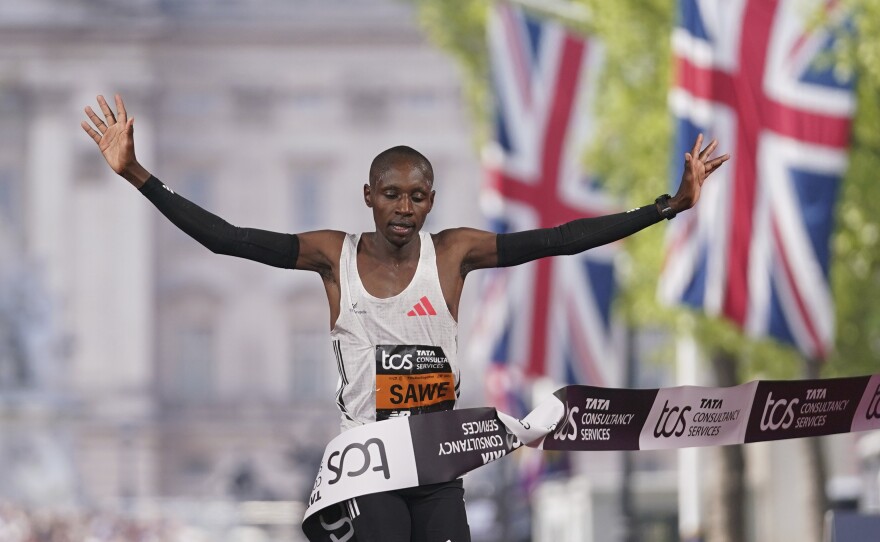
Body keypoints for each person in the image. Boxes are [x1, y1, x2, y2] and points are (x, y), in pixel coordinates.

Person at [82, 94, 729, 542]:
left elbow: (559, 238)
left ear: (430, 202)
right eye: (391, 193)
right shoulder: (329, 255)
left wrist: (666, 206)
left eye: (417, 196)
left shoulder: (454, 252)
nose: (403, 207)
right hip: (369, 457)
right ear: (368, 196)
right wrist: (138, 173)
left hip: (439, 455)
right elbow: (227, 238)